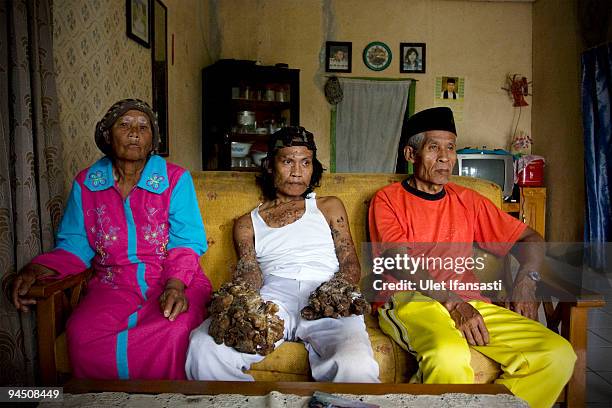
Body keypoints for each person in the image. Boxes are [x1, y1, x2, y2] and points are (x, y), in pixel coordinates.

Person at [368, 107, 575, 408]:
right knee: (448, 355)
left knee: (556, 354)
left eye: (450, 147)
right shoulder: (388, 200)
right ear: (410, 154)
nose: (444, 157)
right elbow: (401, 264)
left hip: (472, 302)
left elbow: (530, 238)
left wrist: (527, 280)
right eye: (433, 147)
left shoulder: (469, 201)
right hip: (410, 299)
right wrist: (453, 302)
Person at [11, 99, 212, 380]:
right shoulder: (87, 183)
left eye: (143, 127)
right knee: (82, 333)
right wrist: (36, 269)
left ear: (152, 138)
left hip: (174, 279)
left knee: (173, 329)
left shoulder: (174, 179)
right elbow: (74, 243)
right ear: (107, 136)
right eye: (125, 125)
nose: (134, 133)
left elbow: (186, 242)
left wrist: (175, 285)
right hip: (112, 284)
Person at [186, 126, 380, 382]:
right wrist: (241, 303)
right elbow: (249, 272)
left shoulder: (328, 206)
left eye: (305, 163)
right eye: (288, 161)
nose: (297, 172)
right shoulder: (247, 223)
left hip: (329, 292)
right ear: (269, 166)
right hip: (273, 296)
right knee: (204, 348)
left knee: (354, 365)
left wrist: (334, 292)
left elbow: (349, 262)